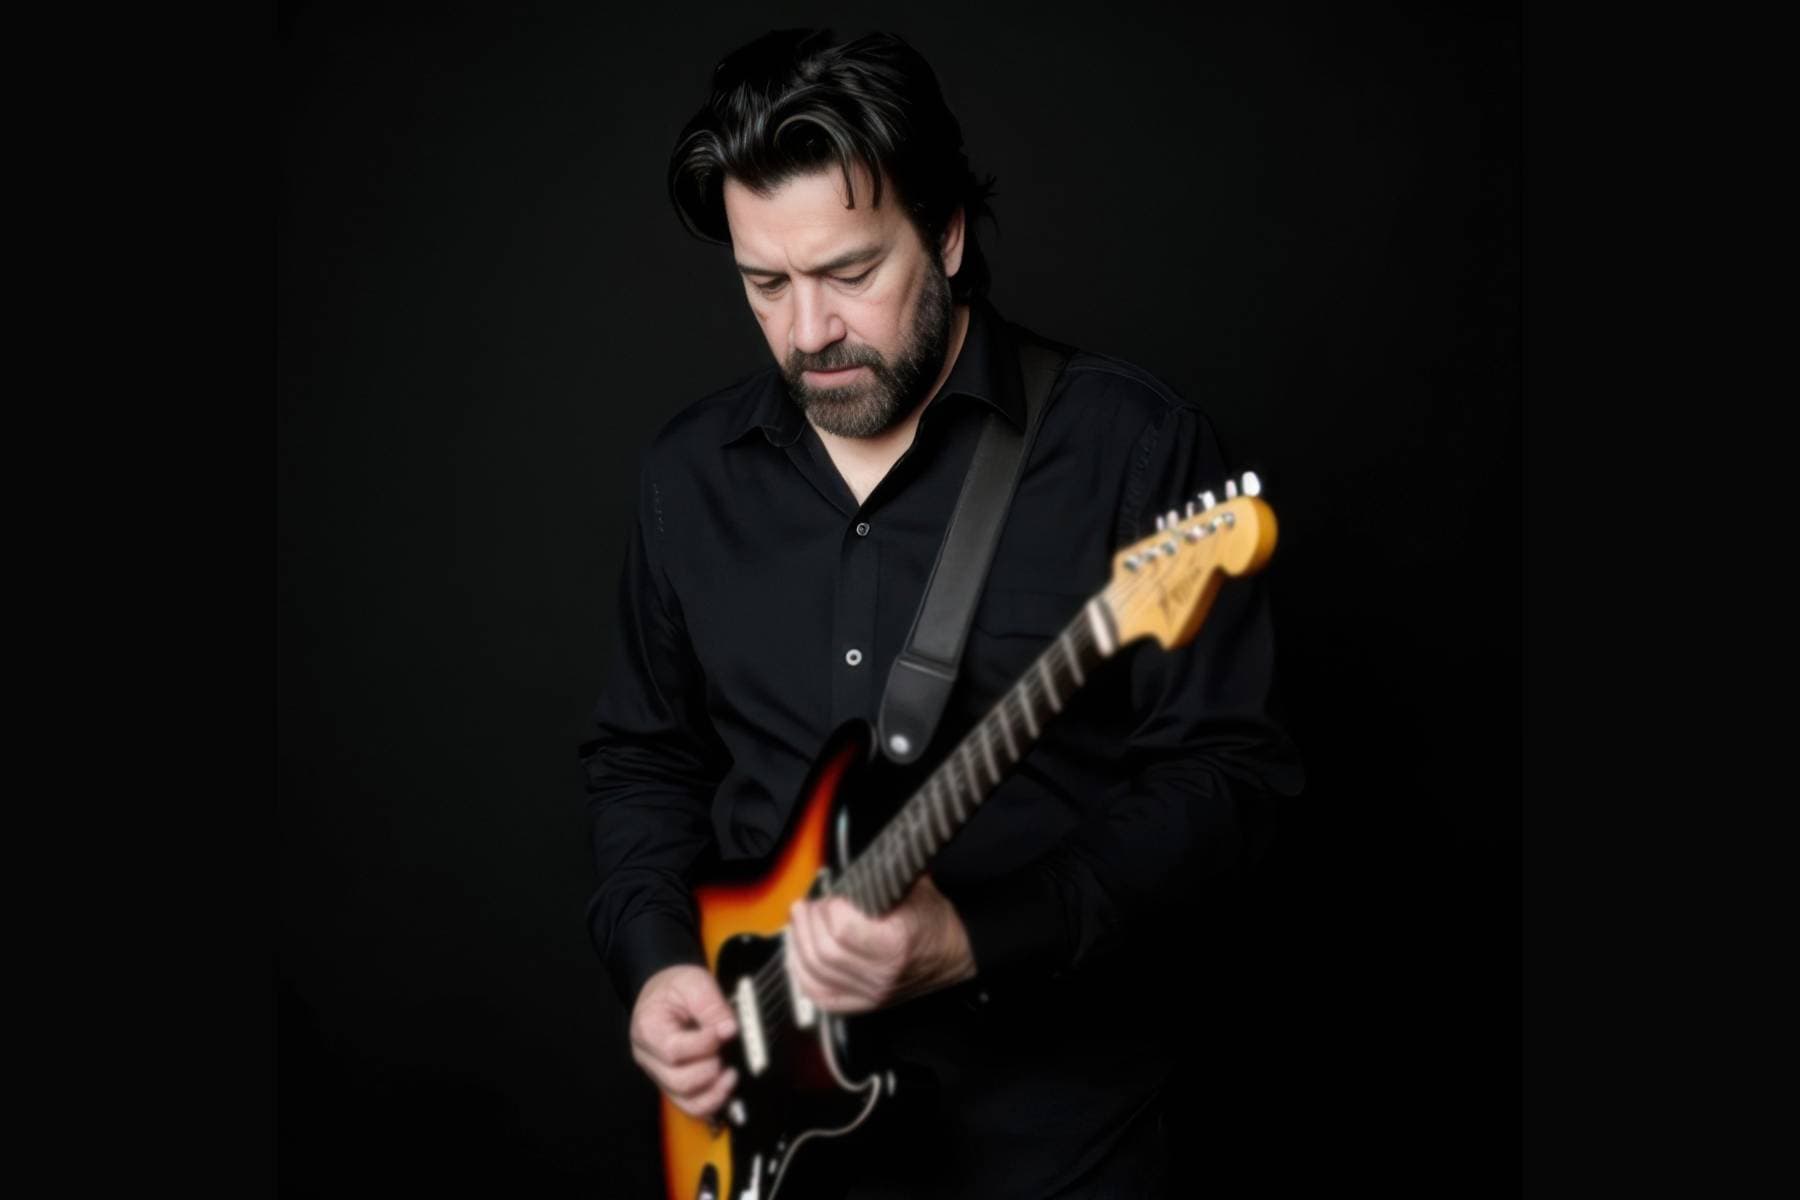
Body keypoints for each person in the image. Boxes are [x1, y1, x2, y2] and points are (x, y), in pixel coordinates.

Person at [580, 28, 1304, 1198]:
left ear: (950, 235)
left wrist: (977, 938)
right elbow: (643, 760)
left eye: (850, 273)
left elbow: (1231, 779)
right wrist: (658, 961)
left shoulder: (1127, 449)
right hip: (773, 1127)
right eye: (766, 284)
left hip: (1062, 1142)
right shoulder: (689, 476)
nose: (808, 331)